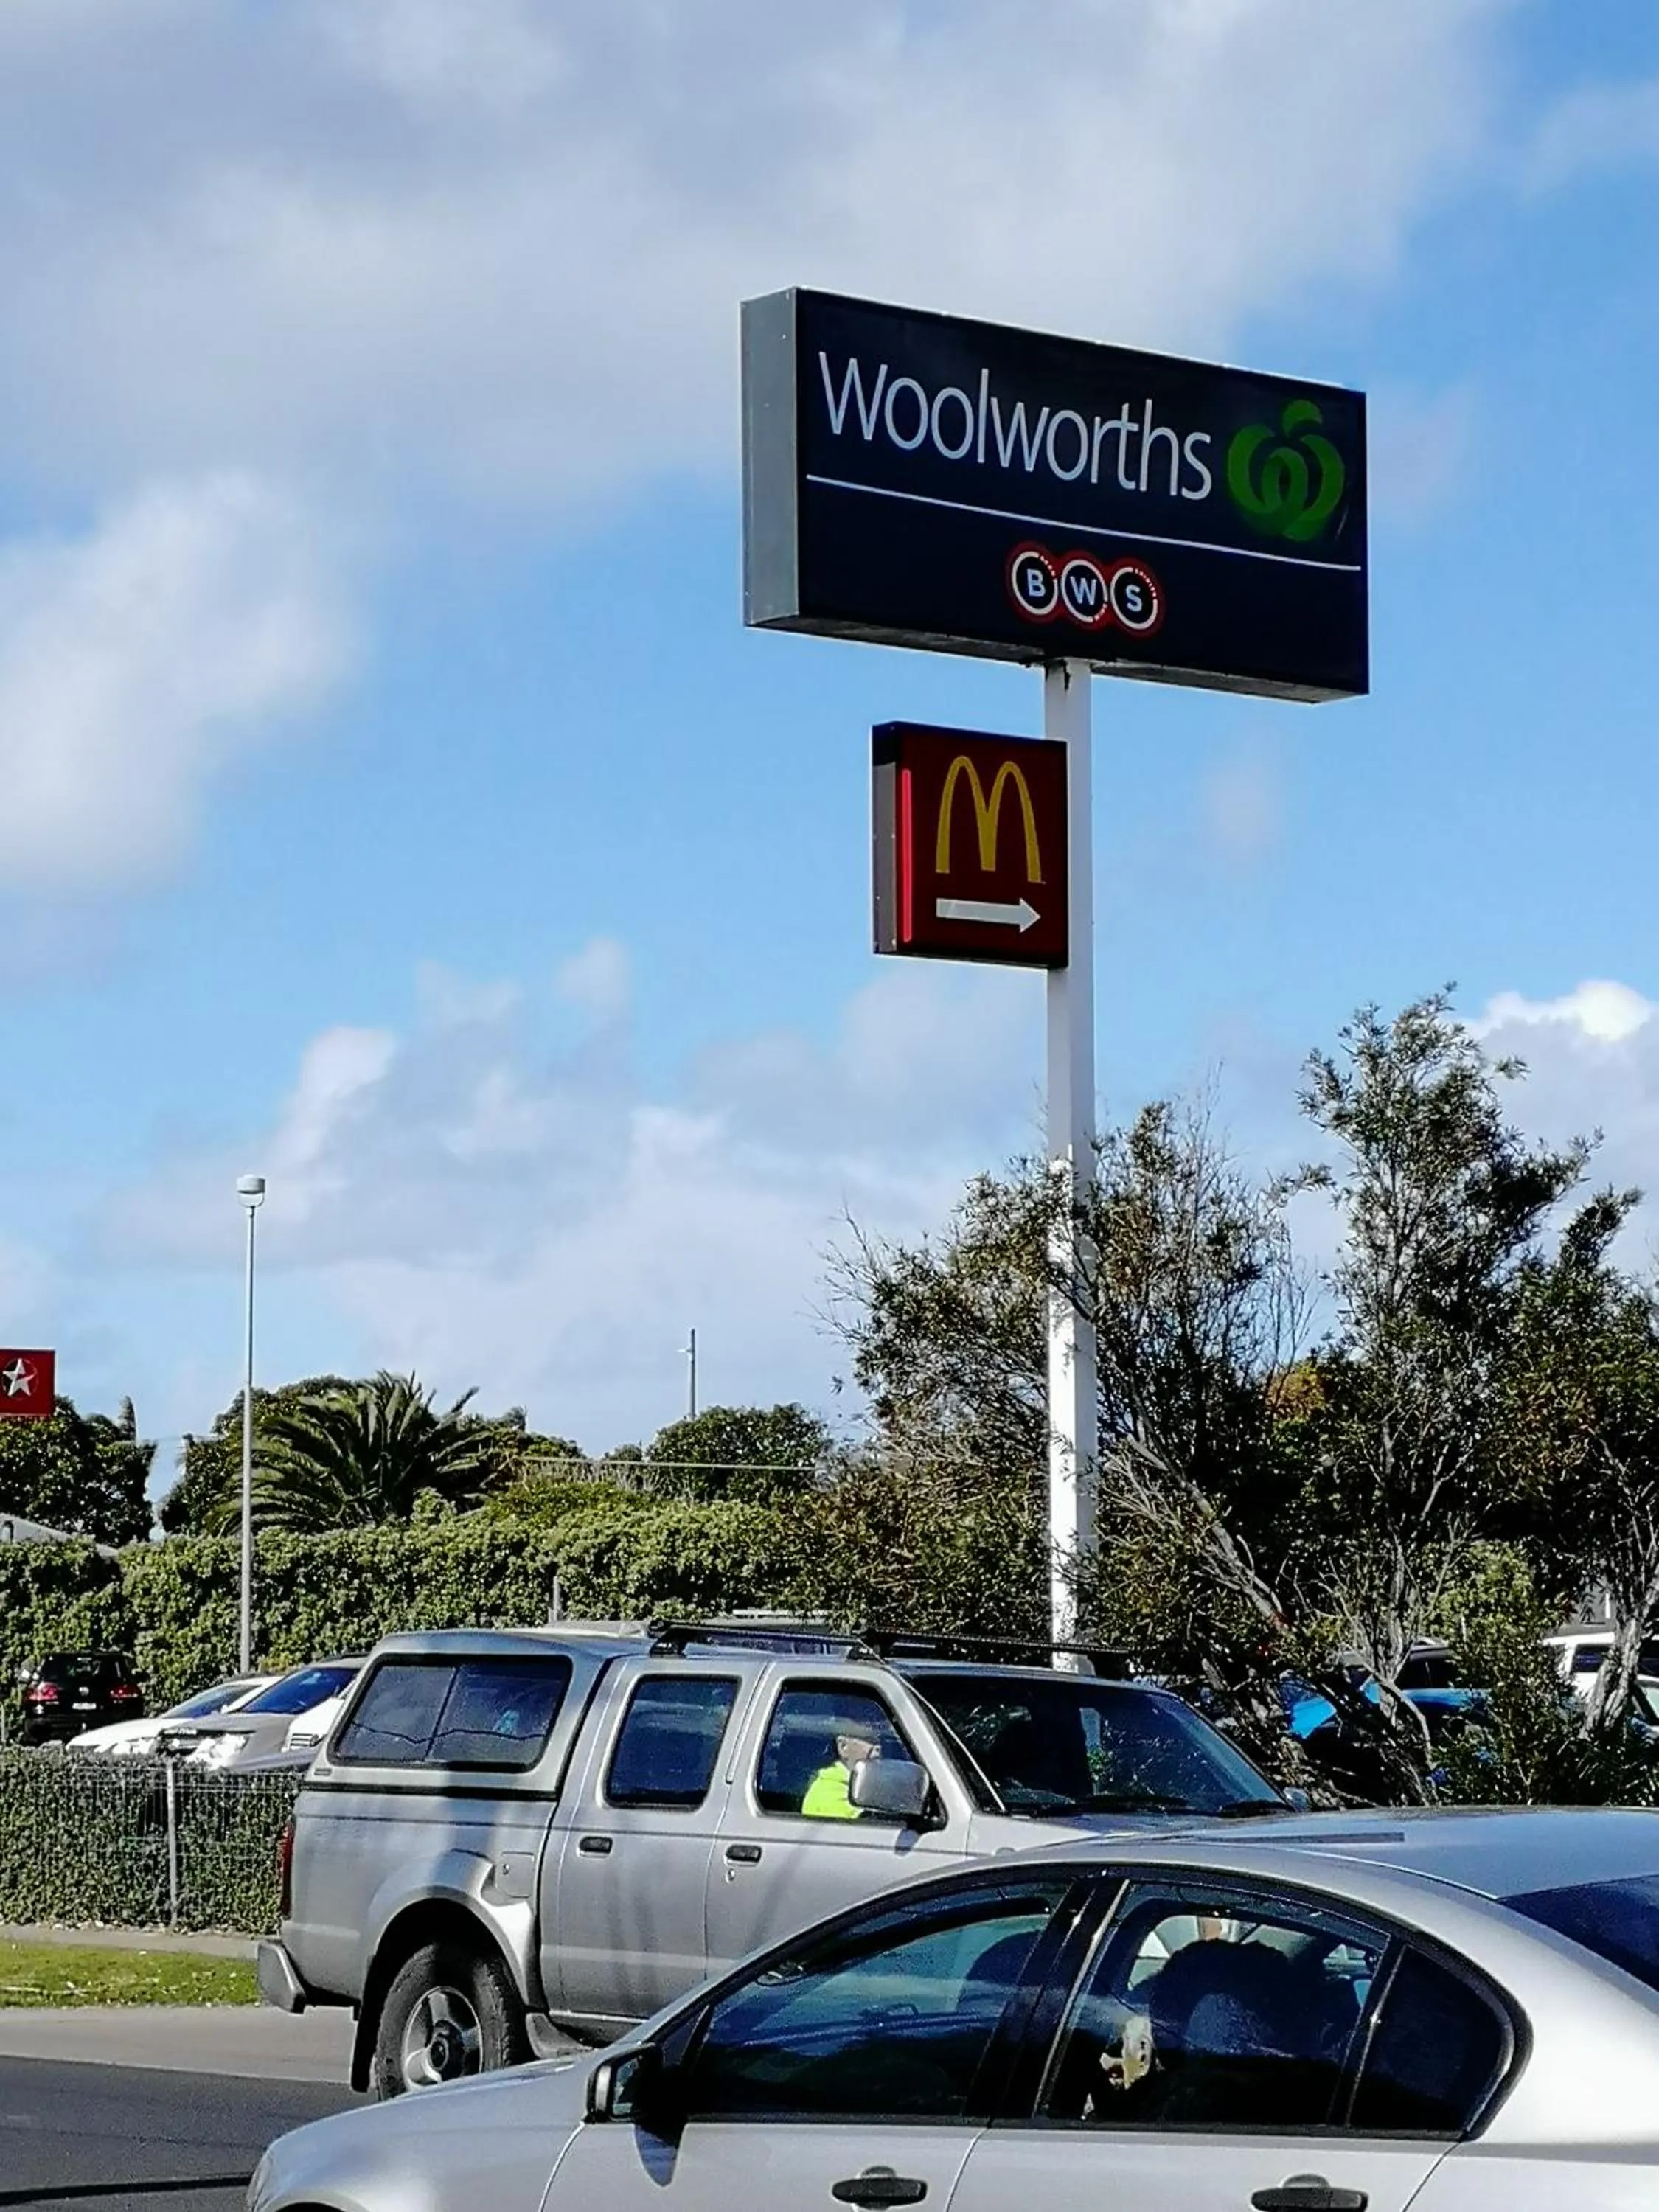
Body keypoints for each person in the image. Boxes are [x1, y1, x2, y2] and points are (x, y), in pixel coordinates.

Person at [801, 1727, 881, 1820]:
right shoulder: (828, 1794)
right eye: (869, 1740)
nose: (879, 1747)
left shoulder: (864, 1787)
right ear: (843, 1747)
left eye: (882, 1741)